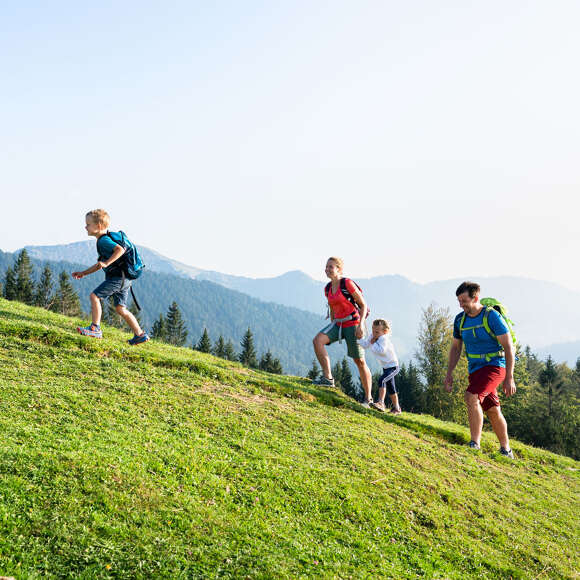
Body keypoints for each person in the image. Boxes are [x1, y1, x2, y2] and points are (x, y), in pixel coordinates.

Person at [444, 281, 516, 458]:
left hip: (495, 366)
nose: (461, 305)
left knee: (472, 396)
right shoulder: (460, 320)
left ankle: (474, 443)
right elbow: (455, 348)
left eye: (464, 301)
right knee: (491, 408)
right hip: (475, 369)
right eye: (459, 301)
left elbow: (508, 347)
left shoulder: (491, 316)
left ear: (475, 297)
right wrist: (449, 372)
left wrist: (509, 377)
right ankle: (506, 450)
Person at [72, 209, 150, 345]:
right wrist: (83, 273)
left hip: (118, 278)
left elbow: (120, 250)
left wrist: (107, 262)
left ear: (99, 226)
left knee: (94, 296)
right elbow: (100, 265)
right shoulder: (105, 239)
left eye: (88, 224)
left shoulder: (103, 241)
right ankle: (140, 335)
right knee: (121, 308)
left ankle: (95, 328)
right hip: (125, 279)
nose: (85, 227)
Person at [312, 257, 373, 408]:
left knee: (359, 361)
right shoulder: (327, 288)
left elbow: (363, 305)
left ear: (339, 269)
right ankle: (328, 378)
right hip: (338, 324)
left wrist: (361, 326)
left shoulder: (347, 283)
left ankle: (368, 398)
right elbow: (332, 306)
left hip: (353, 324)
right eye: (326, 267)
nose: (327, 269)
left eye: (331, 267)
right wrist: (332, 319)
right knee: (318, 341)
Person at [359, 319, 402, 414]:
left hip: (393, 366)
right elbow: (366, 345)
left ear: (385, 332)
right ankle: (397, 409)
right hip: (386, 367)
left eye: (377, 332)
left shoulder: (384, 339)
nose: (374, 333)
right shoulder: (374, 336)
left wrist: (373, 342)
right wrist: (359, 339)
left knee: (382, 380)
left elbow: (381, 350)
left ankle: (381, 403)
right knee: (391, 388)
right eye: (373, 331)